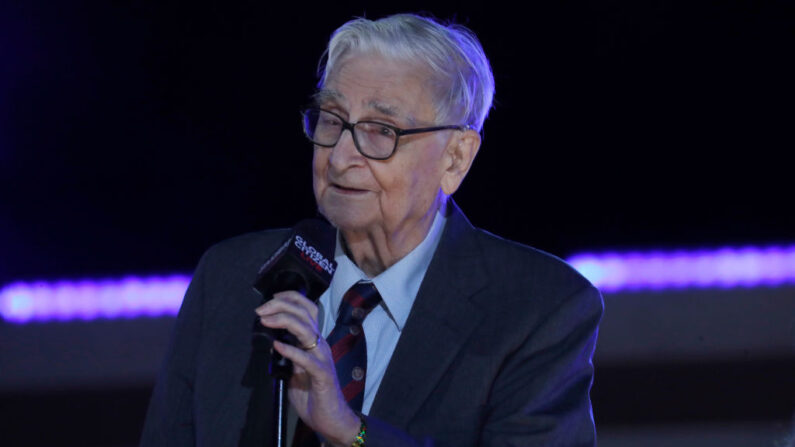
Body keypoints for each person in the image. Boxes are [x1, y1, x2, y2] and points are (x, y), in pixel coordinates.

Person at [140, 13, 603, 447]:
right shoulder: (230, 278)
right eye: (332, 120)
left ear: (456, 157)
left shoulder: (538, 308)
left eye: (381, 131)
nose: (340, 157)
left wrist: (349, 433)